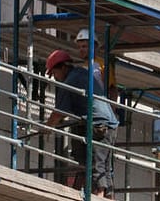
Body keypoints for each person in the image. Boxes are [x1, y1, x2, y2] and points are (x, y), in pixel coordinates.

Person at [45, 48, 119, 194]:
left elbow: (59, 112)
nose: (55, 77)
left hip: (98, 124)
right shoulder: (81, 74)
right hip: (109, 123)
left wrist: (47, 127)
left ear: (63, 67)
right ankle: (107, 197)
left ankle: (98, 196)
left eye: (54, 73)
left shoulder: (70, 80)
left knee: (95, 164)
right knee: (104, 166)